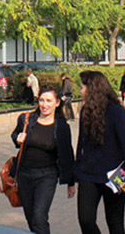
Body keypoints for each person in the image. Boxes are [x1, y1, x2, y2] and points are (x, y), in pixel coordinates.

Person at [76, 71, 125, 234]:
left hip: (114, 175)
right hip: (88, 175)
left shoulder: (116, 111)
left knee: (115, 222)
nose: (80, 91)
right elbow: (81, 142)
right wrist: (77, 168)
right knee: (86, 220)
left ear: (92, 89)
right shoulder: (85, 111)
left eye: (82, 87)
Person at [11, 84, 75, 233]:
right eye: (41, 100)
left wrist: (71, 182)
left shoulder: (61, 127)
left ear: (57, 103)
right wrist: (17, 138)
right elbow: (15, 135)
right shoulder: (27, 119)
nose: (44, 105)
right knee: (31, 217)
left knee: (39, 216)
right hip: (24, 175)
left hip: (47, 176)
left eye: (48, 101)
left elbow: (67, 154)